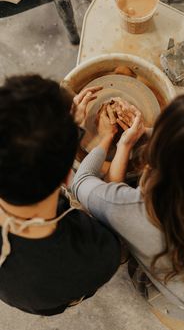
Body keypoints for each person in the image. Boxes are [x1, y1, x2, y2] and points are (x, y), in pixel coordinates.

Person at [71, 85, 184, 329]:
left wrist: (114, 140)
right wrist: (148, 133)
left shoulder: (132, 208)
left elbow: (81, 181)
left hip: (179, 305)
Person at [0, 75, 121, 316]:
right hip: (50, 296)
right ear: (69, 177)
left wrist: (68, 129)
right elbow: (113, 203)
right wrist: (107, 138)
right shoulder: (98, 253)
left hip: (25, 294)